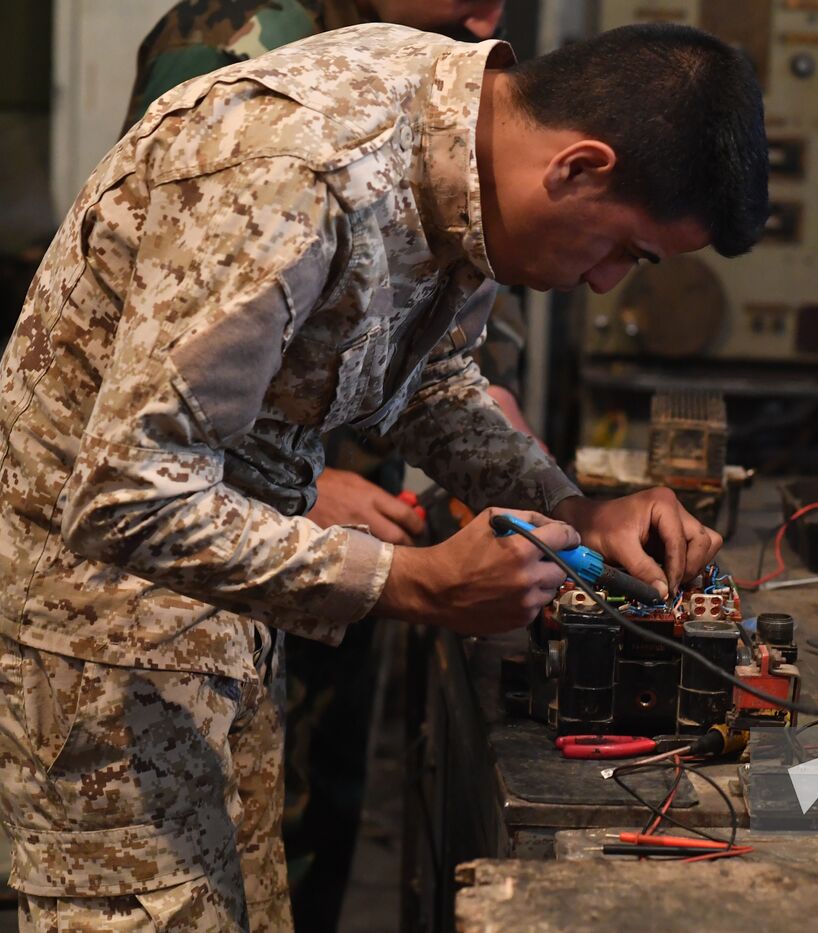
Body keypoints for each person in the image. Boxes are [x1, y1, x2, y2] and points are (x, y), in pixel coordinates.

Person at [0, 20, 765, 932]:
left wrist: (569, 505)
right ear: (578, 168)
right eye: (626, 253)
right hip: (100, 646)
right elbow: (130, 491)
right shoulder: (294, 170)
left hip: (224, 623)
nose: (606, 286)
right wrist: (410, 582)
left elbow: (427, 380)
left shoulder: (468, 155)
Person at [123, 4, 515, 927]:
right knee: (215, 845)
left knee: (319, 798)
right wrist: (306, 487)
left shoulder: (435, 67)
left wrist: (514, 459)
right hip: (207, 547)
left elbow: (405, 334)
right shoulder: (234, 56)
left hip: (341, 517)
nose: (483, 16)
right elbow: (167, 344)